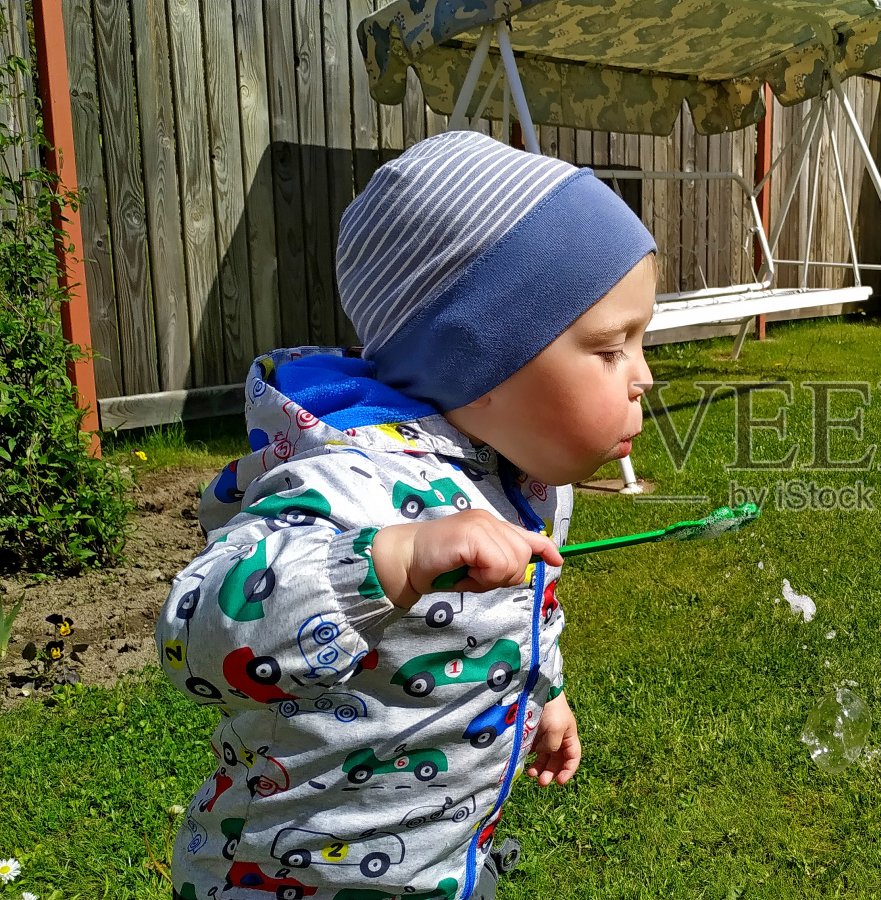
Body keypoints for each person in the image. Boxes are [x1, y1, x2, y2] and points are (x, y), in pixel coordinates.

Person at [157, 129, 656, 899]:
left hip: (436, 862)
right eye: (610, 348)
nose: (644, 377)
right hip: (294, 876)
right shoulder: (351, 481)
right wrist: (385, 562)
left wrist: (544, 692)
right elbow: (193, 633)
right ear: (480, 361)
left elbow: (530, 604)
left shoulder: (522, 482)